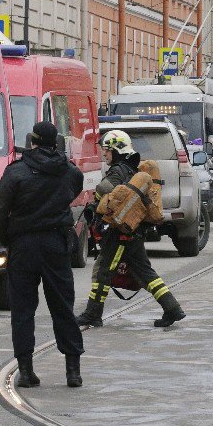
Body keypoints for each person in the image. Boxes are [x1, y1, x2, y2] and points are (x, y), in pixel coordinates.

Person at [0, 121, 86, 389]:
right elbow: (73, 190)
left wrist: (8, 237)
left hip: (24, 245)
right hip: (56, 243)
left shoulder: (16, 172)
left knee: (22, 309)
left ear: (33, 140)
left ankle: (26, 370)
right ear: (56, 143)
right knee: (63, 307)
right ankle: (72, 370)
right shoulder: (69, 172)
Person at [76, 130, 186, 328]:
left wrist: (95, 206)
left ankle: (93, 313)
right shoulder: (131, 170)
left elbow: (108, 194)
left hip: (119, 233)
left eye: (107, 151)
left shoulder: (117, 171)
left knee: (103, 271)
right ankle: (172, 308)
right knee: (145, 273)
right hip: (132, 232)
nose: (104, 154)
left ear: (117, 150)